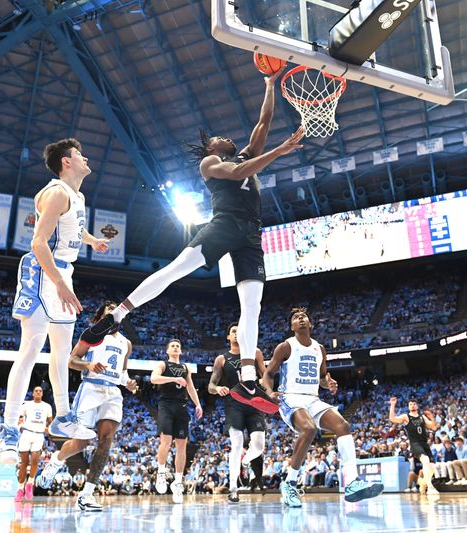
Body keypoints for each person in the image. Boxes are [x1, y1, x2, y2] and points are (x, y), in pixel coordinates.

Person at [82, 71, 305, 414]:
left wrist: (270, 85)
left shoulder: (245, 155)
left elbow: (263, 121)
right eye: (218, 137)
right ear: (211, 148)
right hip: (225, 224)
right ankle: (117, 316)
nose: (225, 137)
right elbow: (236, 175)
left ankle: (247, 376)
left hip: (251, 233)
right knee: (175, 270)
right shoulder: (210, 163)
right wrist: (281, 150)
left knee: (252, 305)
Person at [0, 138, 110, 464]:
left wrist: (93, 242)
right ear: (66, 162)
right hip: (42, 271)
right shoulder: (56, 192)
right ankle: (9, 431)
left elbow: (76, 229)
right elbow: (38, 243)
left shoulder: (77, 196)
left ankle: (62, 416)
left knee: (61, 352)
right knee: (32, 347)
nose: (85, 157)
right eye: (79, 154)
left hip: (64, 273)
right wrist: (59, 284)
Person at [262, 307, 383, 507]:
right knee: (308, 429)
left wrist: (329, 383)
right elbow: (267, 374)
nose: (300, 318)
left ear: (310, 324)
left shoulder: (320, 349)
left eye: (304, 317)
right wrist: (269, 392)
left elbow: (321, 378)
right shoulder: (285, 346)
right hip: (290, 397)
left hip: (312, 398)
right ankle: (290, 482)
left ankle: (352, 482)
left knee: (343, 426)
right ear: (292, 326)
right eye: (296, 318)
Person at [38, 302, 137, 511]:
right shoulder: (92, 334)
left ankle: (87, 494)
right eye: (109, 312)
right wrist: (88, 365)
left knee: (106, 440)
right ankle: (55, 461)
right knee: (81, 443)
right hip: (91, 388)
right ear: (101, 316)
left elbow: (123, 371)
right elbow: (71, 360)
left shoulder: (126, 343)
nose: (114, 315)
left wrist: (127, 382)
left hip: (113, 392)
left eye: (116, 312)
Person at [208, 323, 267, 502]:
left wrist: (267, 387)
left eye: (239, 331)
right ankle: (233, 488)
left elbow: (265, 377)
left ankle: (245, 461)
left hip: (254, 403)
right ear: (228, 337)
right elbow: (210, 386)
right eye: (233, 331)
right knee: (237, 443)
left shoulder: (255, 352)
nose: (236, 334)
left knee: (258, 445)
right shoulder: (222, 359)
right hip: (234, 405)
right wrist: (218, 389)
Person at [151, 339, 203, 504]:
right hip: (166, 404)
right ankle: (161, 473)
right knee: (165, 441)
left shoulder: (185, 367)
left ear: (181, 351)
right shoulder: (163, 364)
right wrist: (173, 380)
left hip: (181, 407)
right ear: (167, 350)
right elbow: (154, 379)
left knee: (182, 445)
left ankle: (178, 482)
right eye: (172, 346)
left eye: (178, 346)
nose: (175, 348)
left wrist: (198, 404)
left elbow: (191, 387)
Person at [389, 397, 440, 495]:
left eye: (414, 404)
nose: (412, 405)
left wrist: (432, 418)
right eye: (410, 404)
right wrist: (392, 405)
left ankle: (422, 483)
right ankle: (430, 487)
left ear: (417, 406)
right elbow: (393, 419)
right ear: (408, 407)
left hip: (424, 444)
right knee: (425, 460)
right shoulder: (406, 416)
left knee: (432, 467)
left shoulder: (422, 417)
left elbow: (433, 427)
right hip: (415, 443)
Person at [14, 386, 53, 501]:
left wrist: (49, 429)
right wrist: (20, 426)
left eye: (40, 391)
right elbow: (20, 418)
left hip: (39, 435)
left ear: (42, 393)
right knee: (24, 463)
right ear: (33, 393)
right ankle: (20, 489)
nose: (38, 392)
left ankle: (30, 483)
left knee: (35, 459)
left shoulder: (47, 406)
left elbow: (51, 422)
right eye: (36, 390)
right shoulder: (26, 405)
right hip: (26, 434)